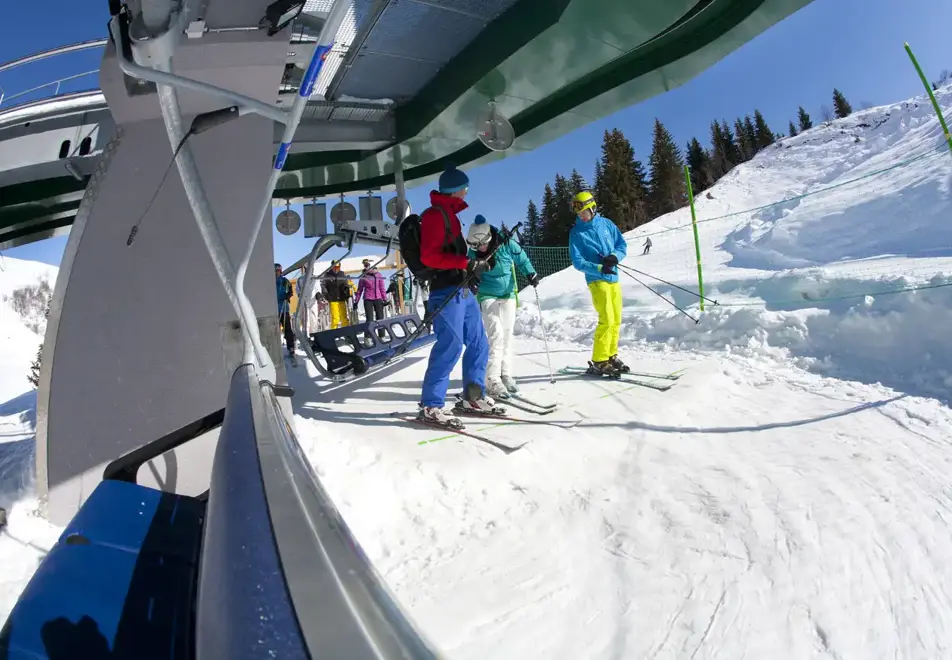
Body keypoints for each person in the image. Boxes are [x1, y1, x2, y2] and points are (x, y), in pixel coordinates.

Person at [418, 164, 493, 424]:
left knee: (478, 342)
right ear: (457, 190)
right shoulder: (434, 215)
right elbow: (428, 255)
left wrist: (475, 263)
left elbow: (455, 254)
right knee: (450, 345)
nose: (466, 192)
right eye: (465, 188)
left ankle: (472, 395)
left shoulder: (451, 215)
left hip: (462, 289)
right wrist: (465, 264)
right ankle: (431, 405)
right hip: (445, 290)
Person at [466, 215, 540, 398]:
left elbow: (522, 260)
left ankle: (505, 374)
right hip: (487, 295)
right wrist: (472, 279)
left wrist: (530, 273)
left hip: (507, 294)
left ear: (488, 239)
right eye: (474, 246)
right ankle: (492, 379)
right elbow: (467, 269)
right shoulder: (474, 253)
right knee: (496, 335)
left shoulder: (506, 244)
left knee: (507, 335)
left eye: (480, 245)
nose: (479, 249)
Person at [567, 191, 629, 376]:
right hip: (597, 279)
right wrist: (599, 267)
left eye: (585, 212)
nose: (582, 216)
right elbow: (578, 262)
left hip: (613, 277)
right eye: (579, 214)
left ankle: (611, 355)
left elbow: (621, 245)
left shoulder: (606, 224)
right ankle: (599, 359)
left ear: (593, 208)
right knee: (607, 319)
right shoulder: (576, 233)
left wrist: (614, 257)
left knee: (616, 319)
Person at [275, 263, 296, 365]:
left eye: (278, 271)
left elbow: (290, 289)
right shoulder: (270, 281)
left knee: (287, 328)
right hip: (274, 309)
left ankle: (291, 347)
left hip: (284, 308)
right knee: (275, 329)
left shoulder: (284, 281)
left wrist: (288, 294)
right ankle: (275, 348)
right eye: (274, 271)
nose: (276, 273)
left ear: (280, 271)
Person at [321, 260, 352, 329]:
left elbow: (346, 284)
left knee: (344, 318)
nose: (336, 268)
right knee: (335, 319)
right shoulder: (327, 275)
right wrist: (326, 295)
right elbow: (323, 285)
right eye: (334, 267)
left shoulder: (342, 274)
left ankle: (347, 334)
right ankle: (333, 334)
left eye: (337, 267)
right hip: (333, 299)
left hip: (341, 298)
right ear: (332, 267)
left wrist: (347, 293)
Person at [354, 258, 387, 322]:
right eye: (365, 266)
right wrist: (356, 301)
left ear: (371, 265)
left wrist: (385, 299)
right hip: (368, 299)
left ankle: (381, 332)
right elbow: (359, 290)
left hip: (378, 298)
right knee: (369, 319)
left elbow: (382, 288)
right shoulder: (363, 276)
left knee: (380, 318)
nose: (366, 267)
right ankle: (369, 331)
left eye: (367, 265)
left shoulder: (378, 275)